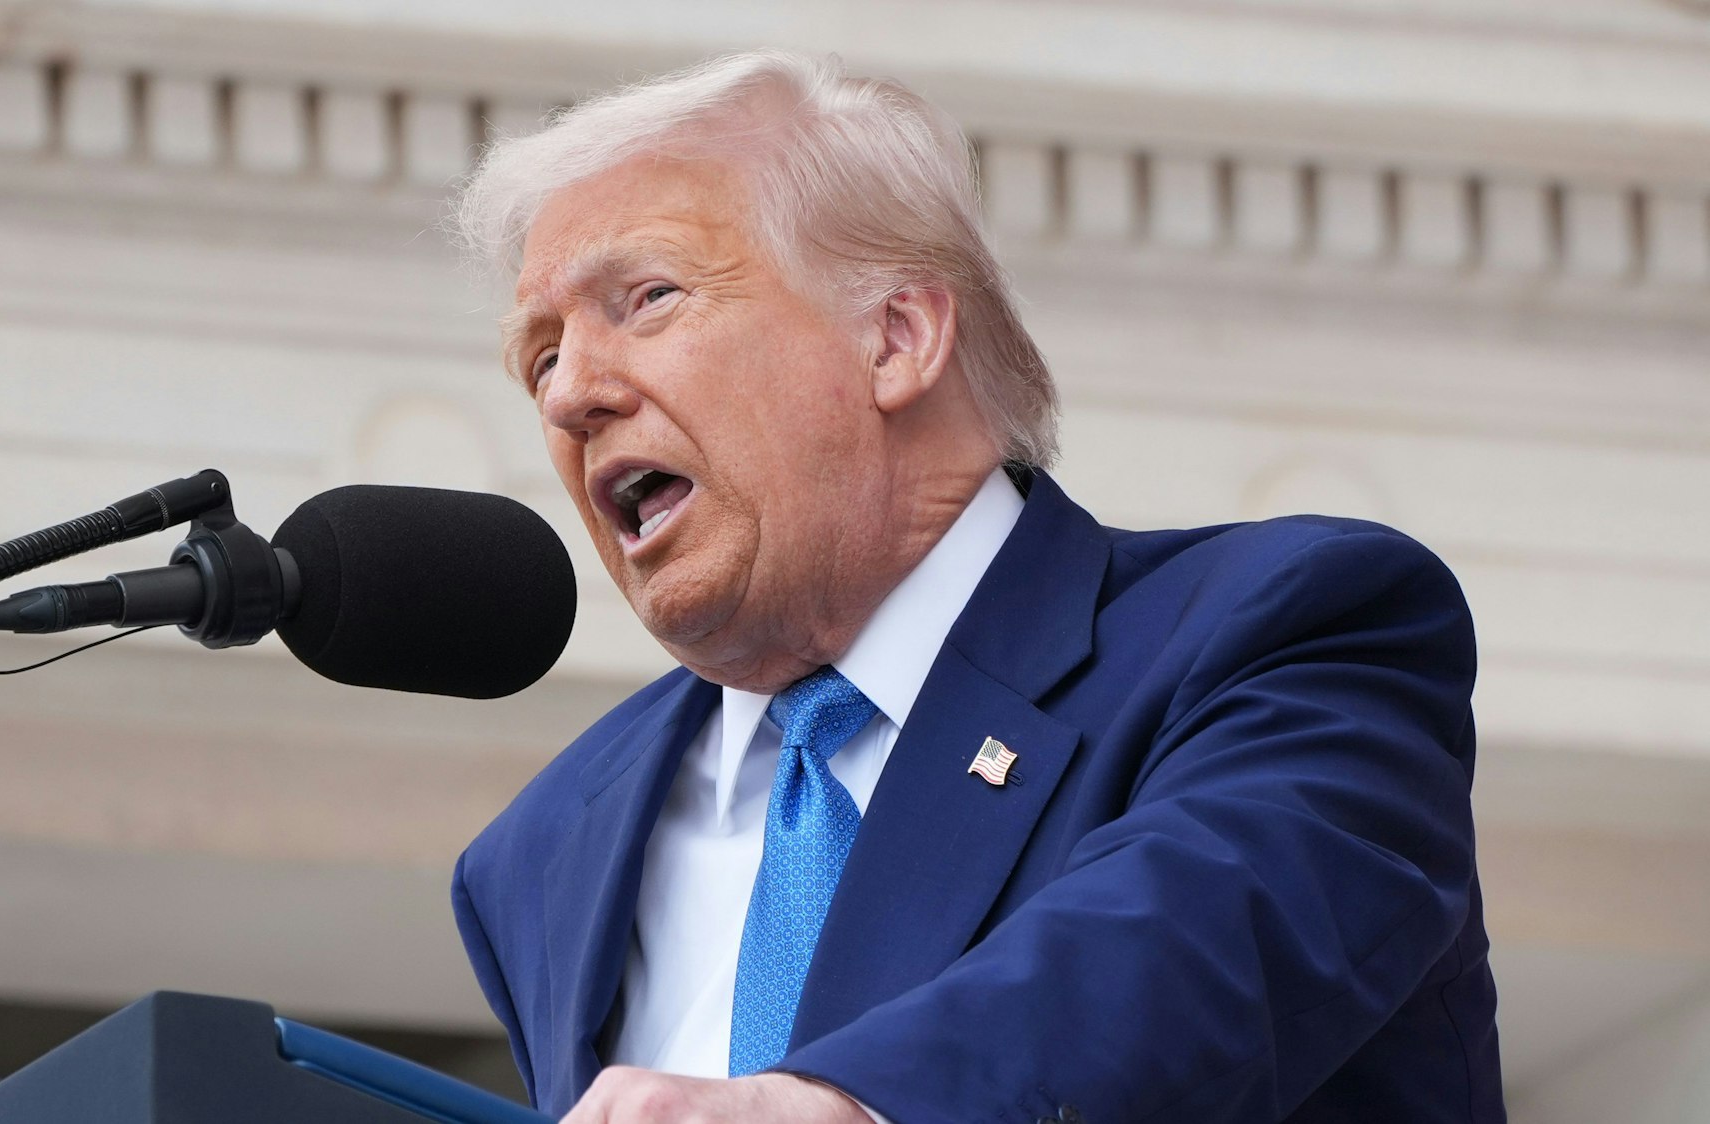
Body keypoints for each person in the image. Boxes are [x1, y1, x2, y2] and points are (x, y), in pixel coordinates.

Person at [448, 51, 1502, 1124]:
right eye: (538, 359)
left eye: (648, 297)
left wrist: (842, 1106)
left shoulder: (1292, 629)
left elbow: (1180, 950)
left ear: (897, 338)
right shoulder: (540, 853)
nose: (571, 392)